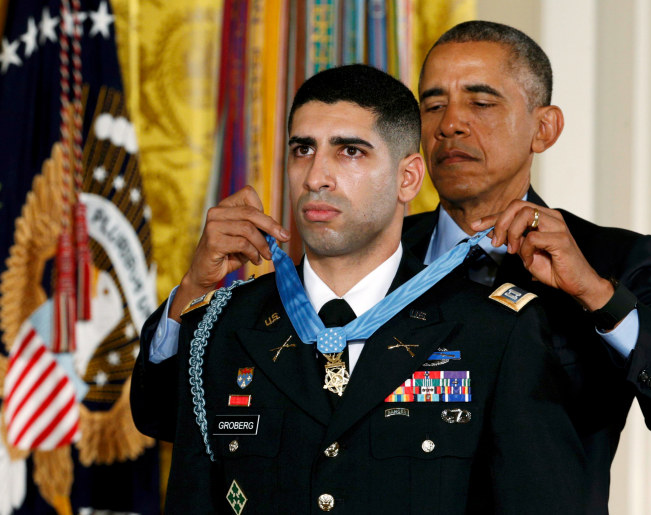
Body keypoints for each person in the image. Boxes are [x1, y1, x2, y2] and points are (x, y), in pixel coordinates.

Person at [137, 22, 651, 513]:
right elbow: (197, 418)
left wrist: (596, 295)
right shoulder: (363, 249)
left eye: (481, 102)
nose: (450, 124)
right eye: (433, 105)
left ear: (545, 128)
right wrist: (192, 293)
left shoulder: (610, 260)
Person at [131, 64, 589, 513]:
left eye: (349, 151)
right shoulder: (222, 325)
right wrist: (193, 285)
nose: (315, 177)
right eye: (302, 150)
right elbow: (178, 465)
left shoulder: (492, 330)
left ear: (407, 178)